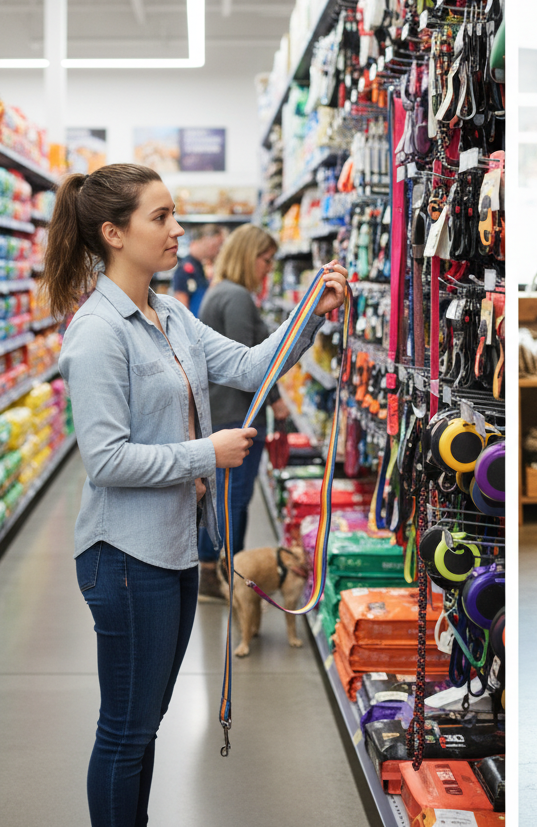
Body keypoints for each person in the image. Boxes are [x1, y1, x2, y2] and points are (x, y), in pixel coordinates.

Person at [44, 164, 347, 827]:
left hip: (177, 549)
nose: (179, 230)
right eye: (161, 217)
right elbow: (105, 460)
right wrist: (206, 454)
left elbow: (249, 365)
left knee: (146, 722)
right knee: (125, 731)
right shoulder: (97, 333)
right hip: (124, 557)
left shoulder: (172, 314)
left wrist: (310, 316)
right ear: (113, 234)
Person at [195, 223, 289, 600]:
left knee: (222, 499)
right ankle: (225, 578)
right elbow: (246, 364)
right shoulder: (236, 298)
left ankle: (212, 573)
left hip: (225, 412)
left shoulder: (223, 292)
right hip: (236, 415)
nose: (269, 268)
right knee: (232, 501)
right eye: (266, 260)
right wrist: (275, 398)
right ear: (249, 256)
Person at [172, 222, 225, 315]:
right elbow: (181, 307)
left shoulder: (200, 266)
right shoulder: (185, 269)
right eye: (216, 245)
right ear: (206, 240)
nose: (218, 250)